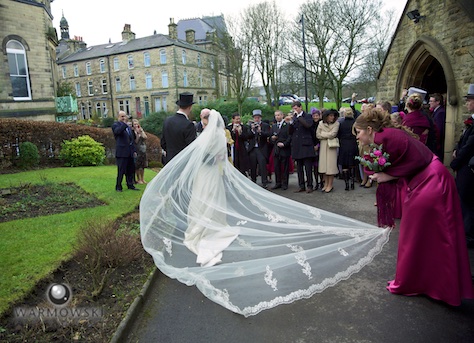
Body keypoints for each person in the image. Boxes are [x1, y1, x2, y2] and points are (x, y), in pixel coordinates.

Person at [140, 109, 390, 317]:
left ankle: (204, 230)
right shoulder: (216, 135)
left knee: (204, 203)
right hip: (211, 176)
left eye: (205, 118)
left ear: (209, 121)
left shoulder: (209, 136)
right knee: (207, 203)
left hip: (207, 175)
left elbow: (209, 157)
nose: (202, 120)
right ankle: (209, 227)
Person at [354, 108, 474, 306]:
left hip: (432, 182)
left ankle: (431, 285)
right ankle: (423, 282)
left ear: (368, 129)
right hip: (424, 181)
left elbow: (415, 161)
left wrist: (387, 175)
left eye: (358, 132)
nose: (357, 136)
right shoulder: (385, 138)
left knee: (429, 235)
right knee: (422, 236)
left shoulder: (388, 137)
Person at [450, 84, 474, 248]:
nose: (466, 103)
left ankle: (468, 235)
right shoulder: (471, 122)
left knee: (468, 202)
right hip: (463, 166)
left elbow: (469, 147)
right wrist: (455, 150)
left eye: (469, 100)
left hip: (469, 169)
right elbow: (461, 142)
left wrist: (455, 161)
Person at [161, 92, 197, 164]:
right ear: (190, 107)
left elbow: (163, 143)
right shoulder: (188, 125)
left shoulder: (167, 121)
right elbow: (192, 148)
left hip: (169, 162)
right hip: (183, 163)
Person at [290, 101, 316, 193]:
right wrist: (290, 122)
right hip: (297, 145)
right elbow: (291, 131)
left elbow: (308, 125)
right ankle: (301, 185)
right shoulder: (294, 118)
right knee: (299, 168)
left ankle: (310, 185)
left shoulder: (307, 116)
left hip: (306, 145)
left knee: (308, 167)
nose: (295, 110)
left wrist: (299, 117)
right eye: (293, 109)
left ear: (300, 107)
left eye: (296, 108)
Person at [112, 111, 139, 192]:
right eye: (122, 116)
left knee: (130, 170)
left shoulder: (127, 127)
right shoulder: (116, 125)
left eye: (125, 116)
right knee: (121, 170)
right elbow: (118, 132)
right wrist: (124, 123)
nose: (124, 118)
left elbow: (131, 140)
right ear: (118, 117)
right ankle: (118, 186)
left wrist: (134, 150)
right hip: (122, 152)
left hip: (129, 152)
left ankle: (130, 184)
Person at [316, 109, 340, 193]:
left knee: (331, 167)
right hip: (323, 146)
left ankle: (330, 185)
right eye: (330, 116)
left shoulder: (336, 124)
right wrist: (327, 135)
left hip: (331, 147)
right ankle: (325, 184)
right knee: (324, 167)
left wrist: (323, 134)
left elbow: (333, 134)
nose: (332, 117)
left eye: (333, 116)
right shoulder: (320, 123)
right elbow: (318, 135)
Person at [247, 109, 271, 189]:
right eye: (255, 118)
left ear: (260, 118)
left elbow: (268, 134)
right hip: (253, 148)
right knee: (253, 165)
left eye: (258, 117)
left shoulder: (265, 125)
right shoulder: (250, 125)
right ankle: (253, 181)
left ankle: (264, 181)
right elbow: (247, 136)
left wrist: (260, 131)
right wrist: (253, 130)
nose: (256, 119)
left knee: (262, 165)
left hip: (261, 148)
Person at [337, 108, 358, 191]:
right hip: (353, 144)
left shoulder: (341, 123)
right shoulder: (355, 123)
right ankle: (352, 182)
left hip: (344, 145)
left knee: (345, 165)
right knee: (352, 164)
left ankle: (346, 184)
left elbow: (338, 134)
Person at [270, 110, 291, 190]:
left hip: (284, 149)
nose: (277, 117)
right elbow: (271, 138)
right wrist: (272, 139)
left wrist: (284, 144)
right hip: (276, 149)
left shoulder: (287, 125)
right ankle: (278, 182)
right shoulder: (274, 126)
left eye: (279, 115)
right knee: (276, 167)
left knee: (285, 167)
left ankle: (285, 183)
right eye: (276, 115)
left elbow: (290, 137)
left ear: (282, 115)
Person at [429, 93, 446, 162]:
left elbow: (439, 130)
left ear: (438, 102)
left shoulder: (440, 112)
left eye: (431, 101)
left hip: (437, 145)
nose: (429, 103)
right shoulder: (436, 111)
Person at [132, 119, 148, 184]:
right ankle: (138, 179)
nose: (136, 125)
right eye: (134, 124)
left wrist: (141, 132)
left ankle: (142, 178)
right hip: (137, 149)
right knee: (137, 166)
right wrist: (137, 135)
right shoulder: (133, 132)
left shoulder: (141, 130)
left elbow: (145, 137)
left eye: (137, 124)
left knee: (143, 165)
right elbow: (135, 141)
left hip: (143, 149)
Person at [310, 108, 323, 190]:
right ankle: (316, 182)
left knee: (320, 166)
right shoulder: (311, 125)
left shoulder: (321, 124)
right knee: (314, 167)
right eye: (314, 115)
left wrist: (318, 145)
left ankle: (322, 181)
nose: (315, 117)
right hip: (312, 146)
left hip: (320, 146)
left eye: (317, 115)